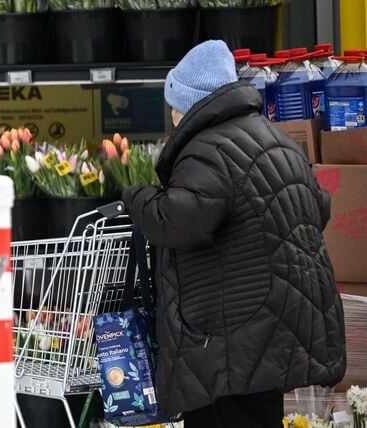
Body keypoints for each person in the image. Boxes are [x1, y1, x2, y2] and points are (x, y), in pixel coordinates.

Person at [122, 40, 347, 427]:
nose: (173, 114)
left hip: (229, 334)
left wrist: (137, 197)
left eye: (174, 104)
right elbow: (317, 207)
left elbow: (181, 221)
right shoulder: (277, 141)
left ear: (190, 103)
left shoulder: (208, 149)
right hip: (274, 324)